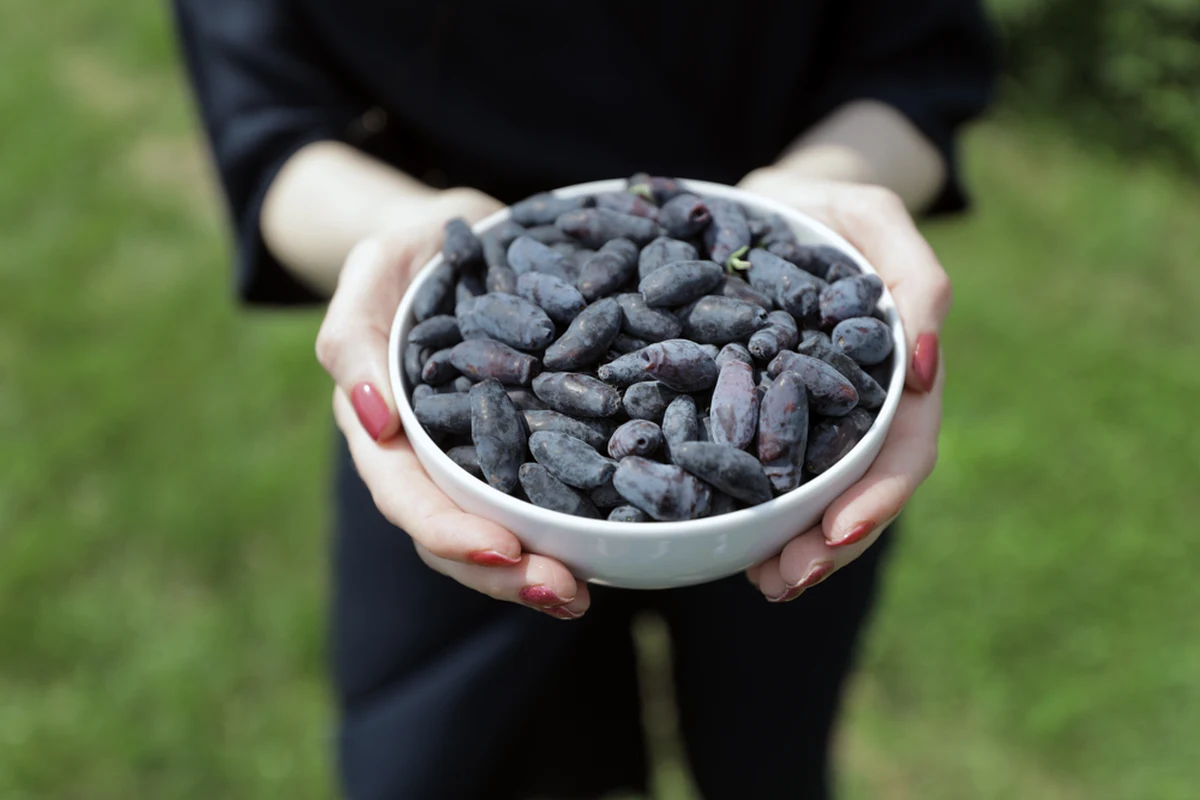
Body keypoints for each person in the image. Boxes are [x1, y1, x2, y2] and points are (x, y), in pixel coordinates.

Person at [173, 1, 996, 797]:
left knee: (766, 757)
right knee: (443, 762)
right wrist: (404, 233)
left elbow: (913, 53)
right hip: (463, 452)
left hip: (792, 488)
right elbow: (269, 123)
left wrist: (813, 193)